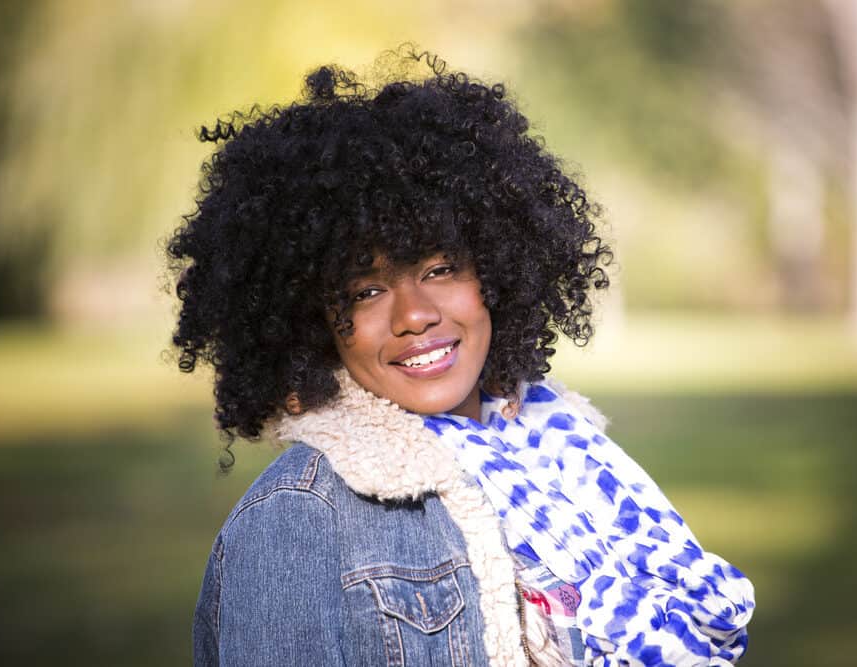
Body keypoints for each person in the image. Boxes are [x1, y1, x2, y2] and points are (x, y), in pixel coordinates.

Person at [167, 49, 754, 667]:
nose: (414, 314)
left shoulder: (558, 449)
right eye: (365, 291)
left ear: (498, 273)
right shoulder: (299, 522)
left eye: (440, 268)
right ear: (310, 323)